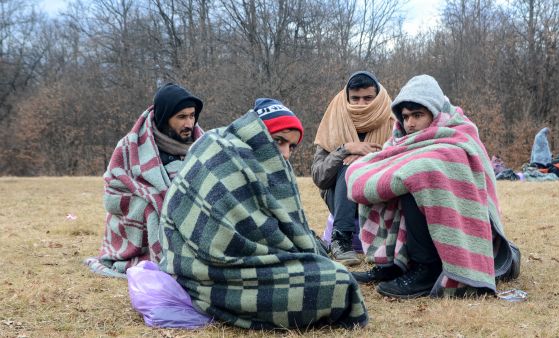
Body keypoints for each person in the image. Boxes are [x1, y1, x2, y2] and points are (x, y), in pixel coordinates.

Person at [159, 98, 368, 329]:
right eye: (279, 141)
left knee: (329, 273)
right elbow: (235, 237)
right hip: (205, 270)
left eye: (292, 146)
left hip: (218, 267)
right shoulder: (223, 153)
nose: (286, 154)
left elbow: (284, 228)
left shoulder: (263, 164)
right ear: (258, 134)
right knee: (337, 283)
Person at [347, 75, 520, 299]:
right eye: (406, 116)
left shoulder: (457, 134)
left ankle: (427, 269)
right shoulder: (401, 140)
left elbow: (441, 171)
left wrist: (412, 173)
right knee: (394, 178)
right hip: (421, 222)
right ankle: (395, 262)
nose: (410, 123)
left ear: (435, 113)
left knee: (417, 176)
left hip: (452, 234)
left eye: (418, 115)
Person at [85, 83, 205, 278]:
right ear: (165, 117)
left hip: (190, 217)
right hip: (142, 218)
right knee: (150, 206)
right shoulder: (130, 146)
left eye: (192, 116)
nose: (189, 124)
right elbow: (113, 193)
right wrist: (155, 198)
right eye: (181, 117)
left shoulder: (203, 145)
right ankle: (161, 257)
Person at [312, 71, 395, 266]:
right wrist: (345, 149)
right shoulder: (333, 123)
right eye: (355, 99)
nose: (361, 104)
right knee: (347, 165)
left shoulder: (393, 122)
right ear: (346, 97)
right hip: (340, 197)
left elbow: (401, 168)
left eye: (368, 98)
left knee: (355, 164)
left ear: (378, 97)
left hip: (379, 196)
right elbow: (319, 178)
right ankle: (341, 239)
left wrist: (368, 158)